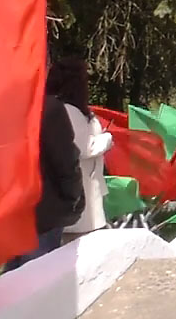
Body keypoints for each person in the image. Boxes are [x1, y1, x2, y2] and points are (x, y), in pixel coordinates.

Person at [4, 68, 85, 271]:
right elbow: (66, 161)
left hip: (12, 212)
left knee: (14, 280)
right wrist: (73, 198)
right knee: (36, 281)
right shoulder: (49, 109)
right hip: (44, 212)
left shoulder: (0, 108)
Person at [50, 56, 112, 238]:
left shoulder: (74, 110)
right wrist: (107, 139)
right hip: (78, 191)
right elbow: (82, 148)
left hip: (89, 188)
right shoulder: (67, 111)